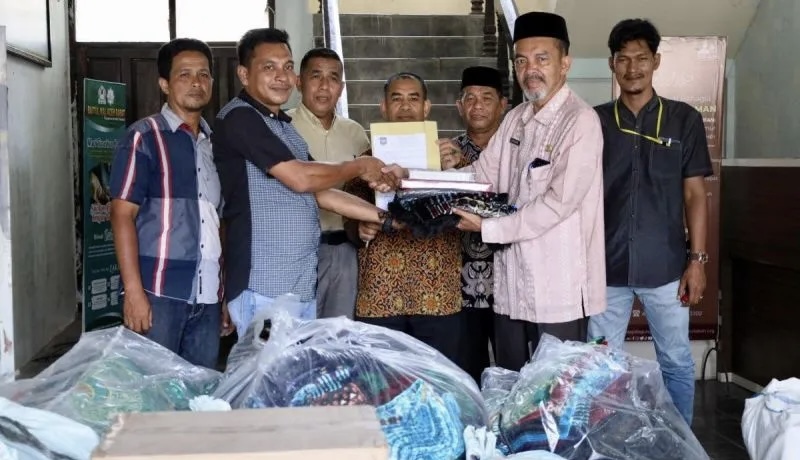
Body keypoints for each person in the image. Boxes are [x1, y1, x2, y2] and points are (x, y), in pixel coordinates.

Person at [445, 12, 607, 372]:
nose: (530, 69)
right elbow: (481, 175)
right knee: (511, 386)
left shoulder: (580, 121)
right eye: (521, 60)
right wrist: (424, 179)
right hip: (511, 289)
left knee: (556, 393)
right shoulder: (515, 118)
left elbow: (557, 205)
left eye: (541, 59)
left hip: (558, 292)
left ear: (565, 64)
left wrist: (488, 228)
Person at [212, 28, 395, 339]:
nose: (281, 76)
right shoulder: (239, 118)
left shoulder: (283, 127)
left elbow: (323, 193)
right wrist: (358, 166)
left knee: (298, 367)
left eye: (287, 66)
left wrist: (389, 218)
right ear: (244, 74)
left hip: (297, 285)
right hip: (263, 285)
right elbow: (300, 178)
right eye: (269, 67)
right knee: (268, 369)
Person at [587, 19, 712, 425]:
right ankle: (602, 441)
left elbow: (695, 195)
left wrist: (697, 261)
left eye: (641, 58)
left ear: (656, 61)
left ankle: (680, 441)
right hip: (606, 267)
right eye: (623, 59)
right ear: (612, 64)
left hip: (666, 268)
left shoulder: (684, 119)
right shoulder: (594, 121)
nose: (632, 68)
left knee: (675, 360)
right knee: (600, 363)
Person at [109, 38, 228, 368]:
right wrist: (133, 293)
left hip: (208, 296)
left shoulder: (216, 145)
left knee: (199, 392)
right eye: (184, 74)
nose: (196, 82)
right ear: (164, 83)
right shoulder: (143, 137)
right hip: (157, 294)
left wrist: (223, 294)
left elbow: (220, 223)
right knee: (152, 392)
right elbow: (121, 215)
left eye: (203, 74)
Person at [343, 72, 464, 366]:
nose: (406, 106)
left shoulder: (450, 158)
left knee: (439, 381)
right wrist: (358, 228)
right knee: (383, 382)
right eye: (397, 99)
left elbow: (473, 206)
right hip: (381, 296)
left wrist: (456, 169)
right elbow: (348, 217)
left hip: (437, 295)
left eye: (414, 98)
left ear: (426, 107)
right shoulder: (365, 162)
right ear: (384, 107)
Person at [288, 47, 370, 320]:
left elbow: (365, 188)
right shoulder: (282, 126)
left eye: (333, 78)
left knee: (338, 332)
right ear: (299, 82)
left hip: (344, 251)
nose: (324, 86)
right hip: (296, 252)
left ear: (341, 87)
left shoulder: (355, 133)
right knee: (294, 331)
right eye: (316, 76)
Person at [453, 66, 507, 383]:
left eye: (487, 98)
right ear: (459, 106)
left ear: (503, 105)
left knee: (513, 372)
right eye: (470, 98)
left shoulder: (517, 152)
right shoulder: (445, 153)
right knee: (467, 374)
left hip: (509, 283)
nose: (478, 106)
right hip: (460, 288)